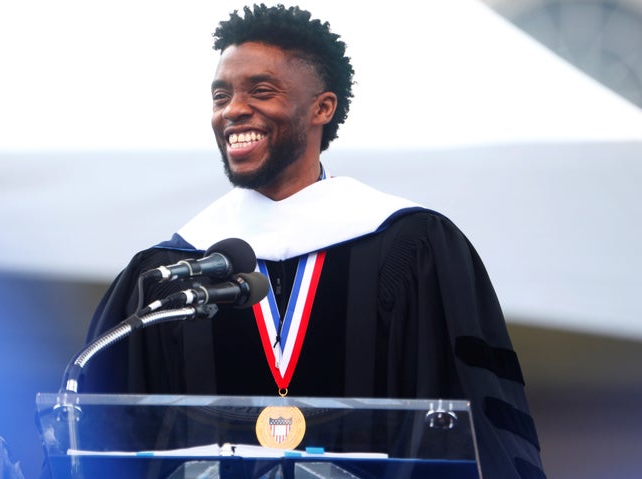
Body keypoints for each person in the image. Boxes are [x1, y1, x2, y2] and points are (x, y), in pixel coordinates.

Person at [84, 4, 546, 478]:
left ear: (322, 108)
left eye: (260, 91)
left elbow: (476, 427)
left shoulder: (414, 248)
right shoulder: (171, 271)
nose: (233, 109)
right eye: (221, 95)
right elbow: (106, 438)